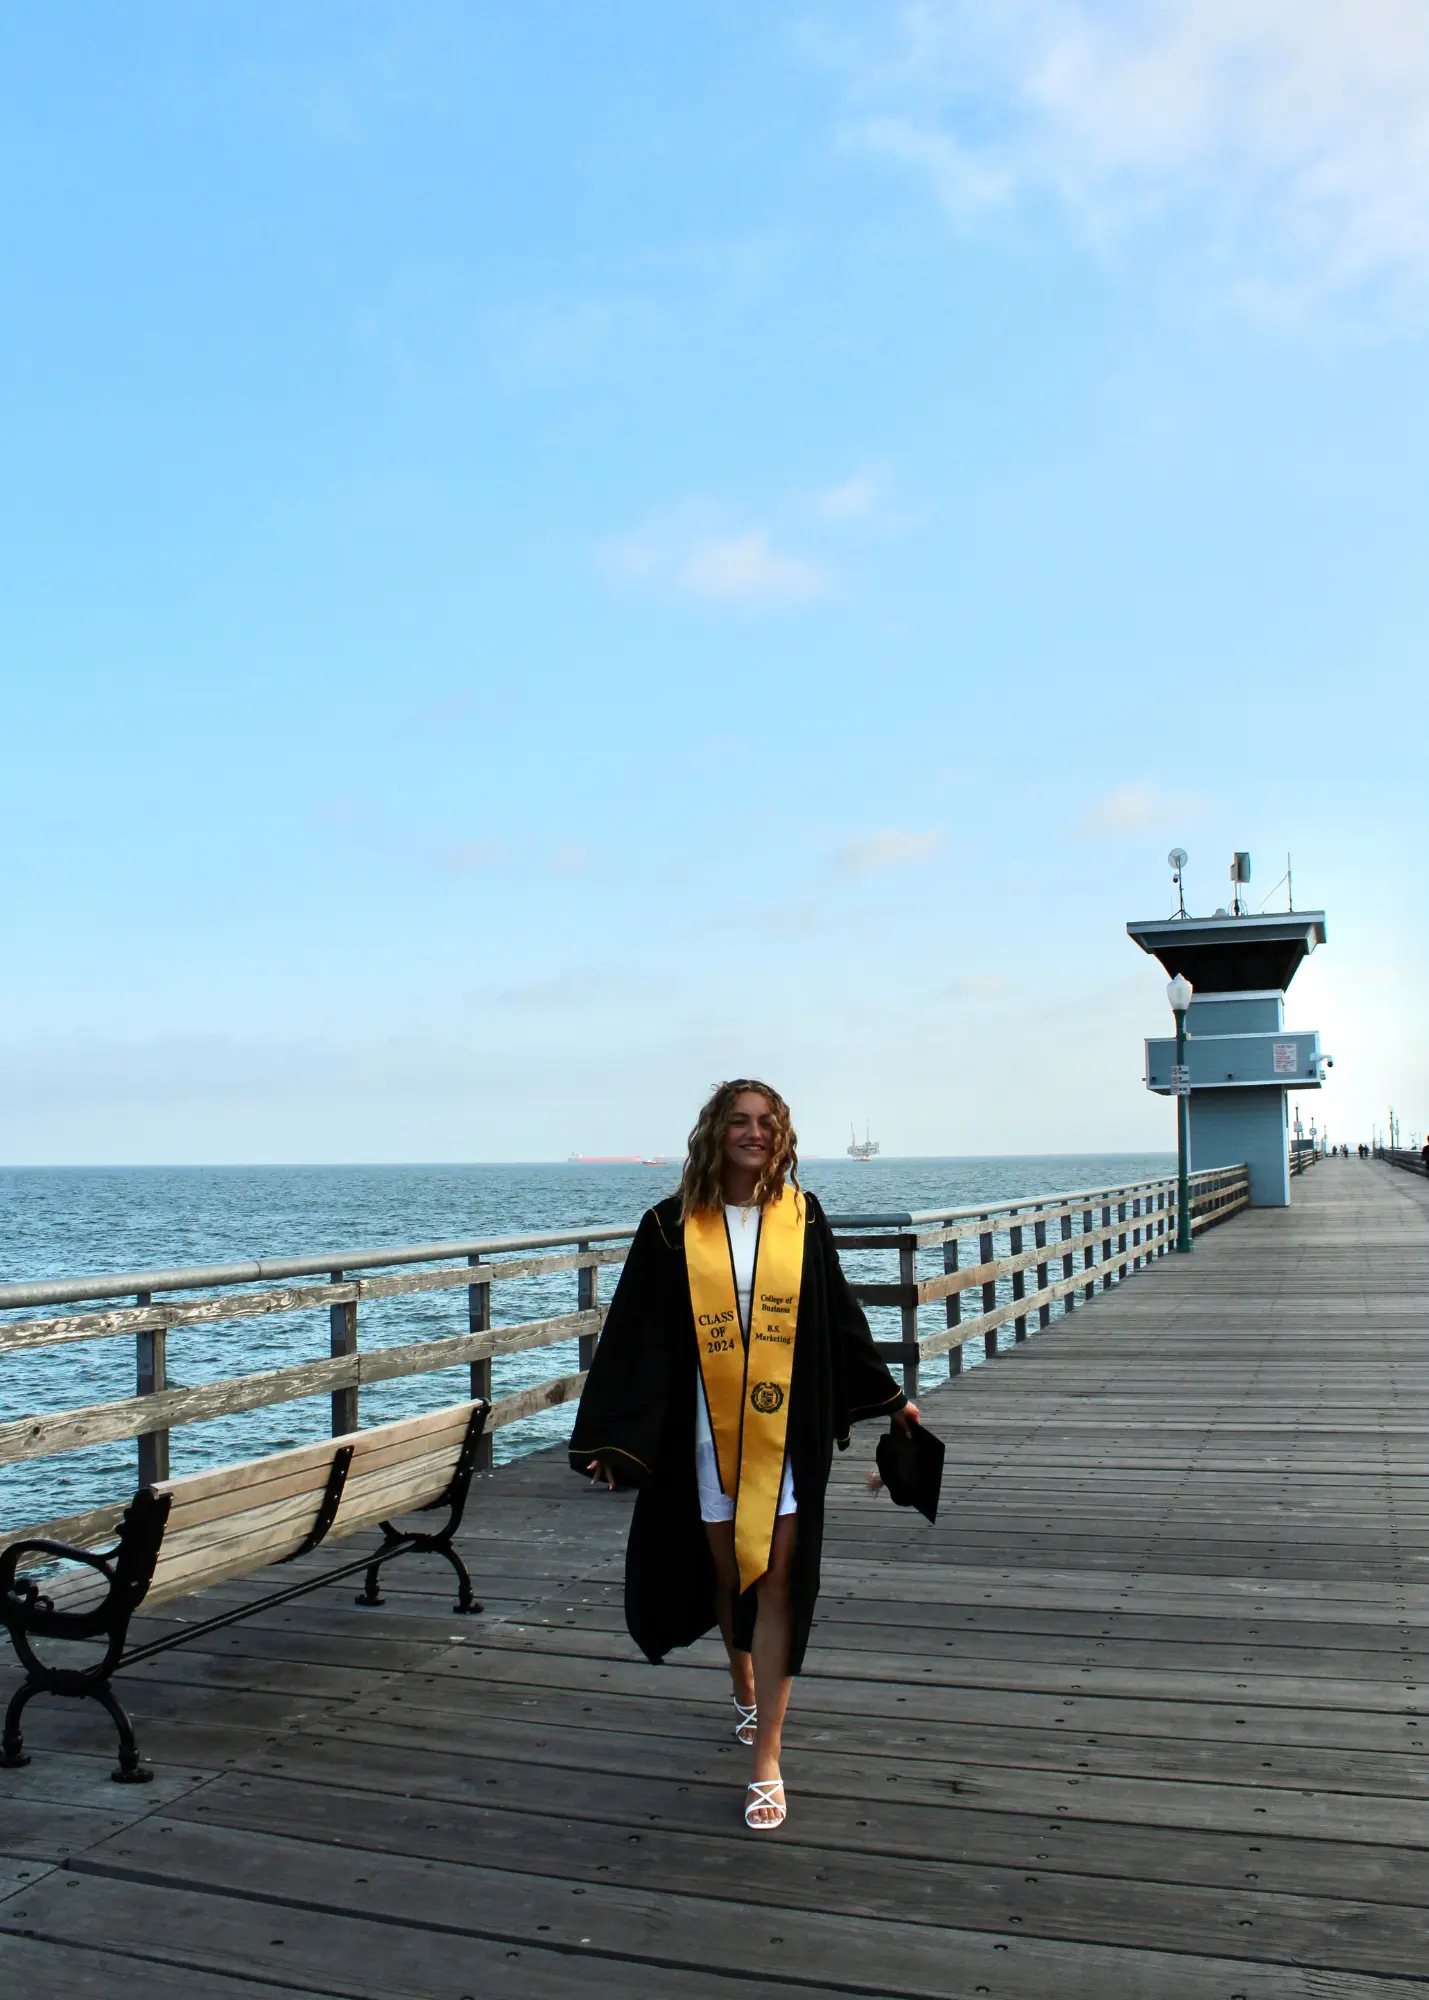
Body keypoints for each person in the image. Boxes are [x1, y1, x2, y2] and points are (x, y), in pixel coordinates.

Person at [568, 1078, 918, 1831]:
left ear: (781, 1135)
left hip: (787, 1430)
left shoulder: (801, 1217)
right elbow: (634, 1334)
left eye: (766, 1123)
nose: (753, 1133)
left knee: (783, 1579)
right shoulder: (669, 1227)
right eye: (739, 1121)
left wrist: (889, 1398)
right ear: (715, 1132)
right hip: (703, 1430)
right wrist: (611, 1438)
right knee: (731, 1573)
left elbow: (838, 1315)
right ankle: (741, 1680)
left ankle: (767, 1756)